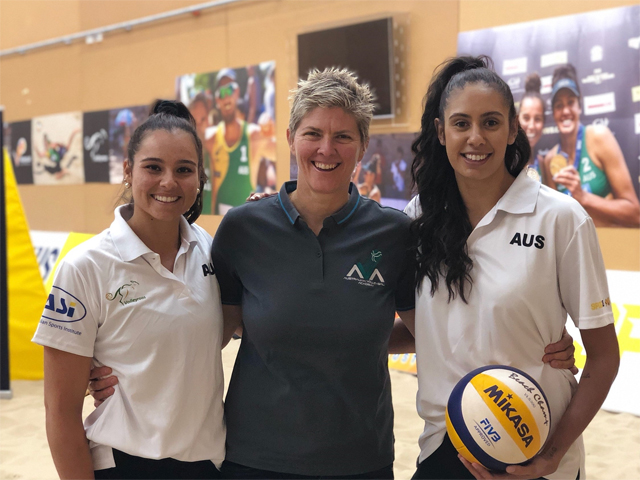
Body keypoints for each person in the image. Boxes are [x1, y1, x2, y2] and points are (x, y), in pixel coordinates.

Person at [89, 69, 577, 479]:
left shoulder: (395, 232)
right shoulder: (243, 227)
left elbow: (432, 328)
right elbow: (207, 328)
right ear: (290, 139)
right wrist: (118, 367)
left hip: (359, 459)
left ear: (363, 145)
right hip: (252, 457)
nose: (327, 148)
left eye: (343, 136)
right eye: (313, 134)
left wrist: (524, 353)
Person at [405, 56, 620, 480]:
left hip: (535, 452)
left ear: (513, 128)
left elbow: (605, 356)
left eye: (490, 122)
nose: (475, 138)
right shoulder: (418, 217)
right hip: (445, 446)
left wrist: (552, 455)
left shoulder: (561, 218)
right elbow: (427, 326)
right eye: (461, 123)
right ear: (440, 131)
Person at [32, 100, 225, 479]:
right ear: (128, 171)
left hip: (207, 464)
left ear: (199, 177)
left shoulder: (209, 248)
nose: (169, 182)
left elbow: (216, 331)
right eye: (153, 167)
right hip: (125, 465)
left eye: (184, 170)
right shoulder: (84, 267)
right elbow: (60, 410)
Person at [542, 64, 640, 227]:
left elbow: (635, 214)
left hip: (612, 245)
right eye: (559, 105)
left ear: (579, 106)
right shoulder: (550, 160)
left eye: (570, 102)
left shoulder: (599, 137)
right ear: (553, 113)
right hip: (575, 250)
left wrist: (584, 198)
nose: (565, 111)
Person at [207, 68, 275, 215]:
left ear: (237, 92)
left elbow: (282, 154)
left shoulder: (254, 135)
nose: (226, 97)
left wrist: (275, 133)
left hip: (245, 228)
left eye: (230, 89)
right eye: (221, 93)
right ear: (217, 100)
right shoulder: (210, 139)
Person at [518, 72, 546, 182]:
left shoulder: (540, 162)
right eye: (526, 118)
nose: (531, 126)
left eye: (537, 119)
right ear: (517, 120)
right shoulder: (506, 162)